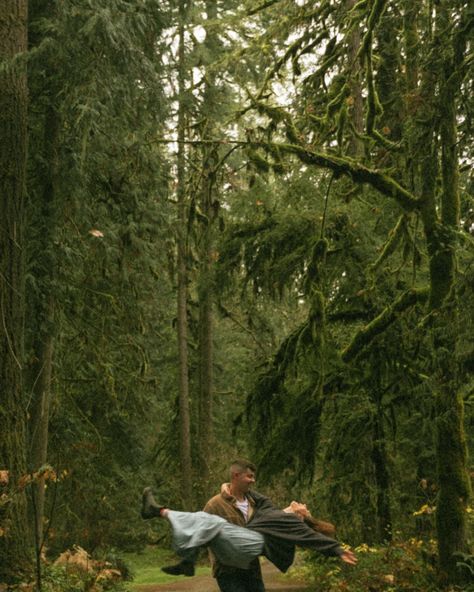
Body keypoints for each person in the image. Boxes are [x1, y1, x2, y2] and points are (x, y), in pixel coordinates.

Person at [141, 460, 356, 592]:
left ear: (301, 514)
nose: (299, 504)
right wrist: (228, 489)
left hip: (249, 547)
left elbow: (310, 537)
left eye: (302, 507)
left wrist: (336, 549)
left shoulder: (290, 521)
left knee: (210, 522)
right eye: (249, 476)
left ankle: (161, 515)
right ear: (236, 476)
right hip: (232, 557)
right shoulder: (267, 508)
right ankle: (163, 519)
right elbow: (254, 496)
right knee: (206, 521)